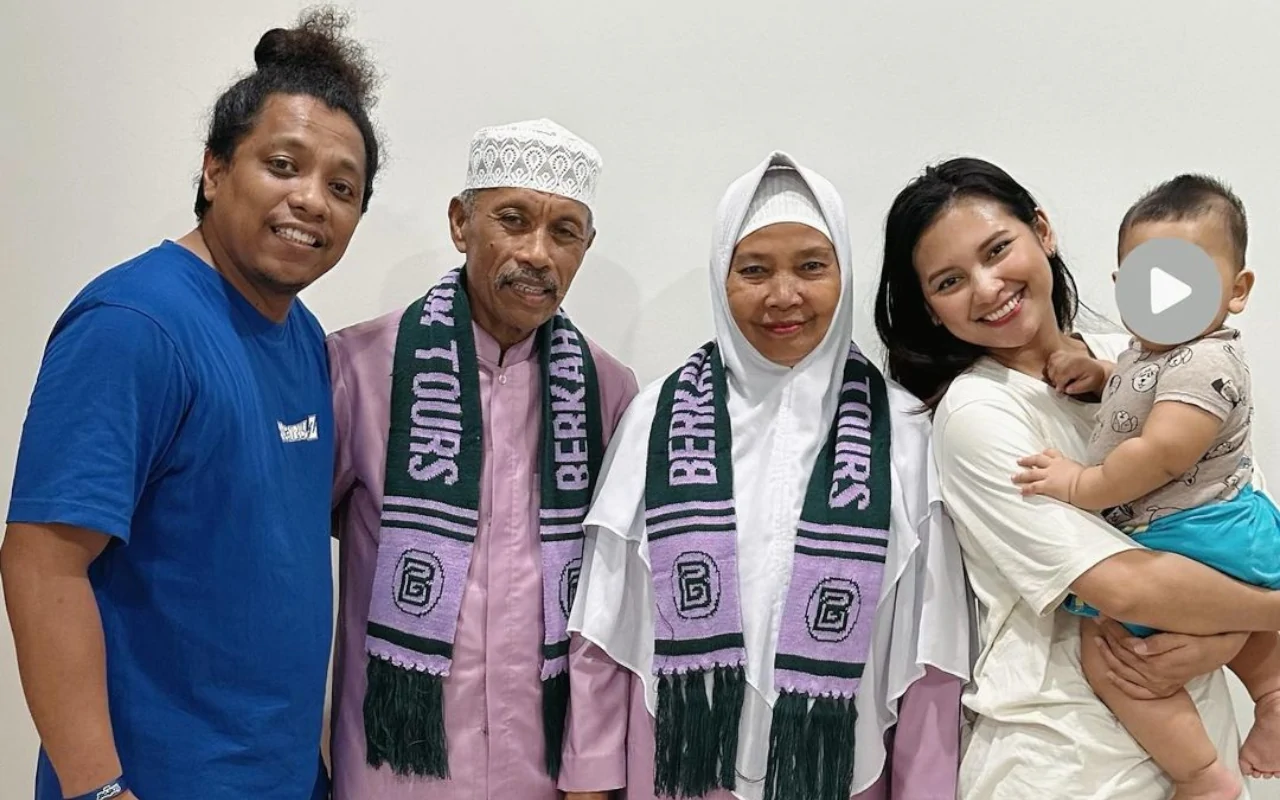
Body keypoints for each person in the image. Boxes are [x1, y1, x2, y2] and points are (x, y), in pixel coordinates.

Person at [1, 8, 381, 800]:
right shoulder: (134, 325)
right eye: (284, 165)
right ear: (214, 170)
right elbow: (41, 562)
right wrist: (97, 790)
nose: (312, 200)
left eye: (342, 187)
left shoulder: (306, 339)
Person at [874, 155, 1280, 799]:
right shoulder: (978, 414)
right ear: (930, 307)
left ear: (1042, 230)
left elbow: (1235, 514)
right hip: (1065, 760)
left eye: (997, 249)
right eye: (950, 280)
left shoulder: (1143, 353)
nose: (987, 287)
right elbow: (1129, 590)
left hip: (1203, 749)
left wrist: (1226, 637)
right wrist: (1258, 616)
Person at [570, 151, 971, 800]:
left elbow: (930, 654)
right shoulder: (656, 419)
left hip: (842, 774)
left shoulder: (902, 431)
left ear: (845, 272)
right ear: (720, 277)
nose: (784, 296)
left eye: (811, 266)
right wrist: (588, 779)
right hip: (678, 766)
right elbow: (603, 622)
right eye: (754, 269)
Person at [326, 117, 639, 800]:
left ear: (586, 247)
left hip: (546, 769)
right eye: (513, 220)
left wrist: (591, 764)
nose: (538, 253)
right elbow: (287, 555)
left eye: (565, 232)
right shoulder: (358, 366)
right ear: (460, 223)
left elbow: (613, 596)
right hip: (396, 765)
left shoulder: (609, 392)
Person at [1011, 174, 1280, 799]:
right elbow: (1143, 390)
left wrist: (1080, 483)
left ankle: (1201, 776)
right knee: (1232, 625)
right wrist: (1100, 374)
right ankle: (1272, 694)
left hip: (1196, 532)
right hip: (1223, 527)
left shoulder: (1206, 361)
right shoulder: (1158, 352)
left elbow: (1161, 453)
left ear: (1237, 290)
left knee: (1112, 659)